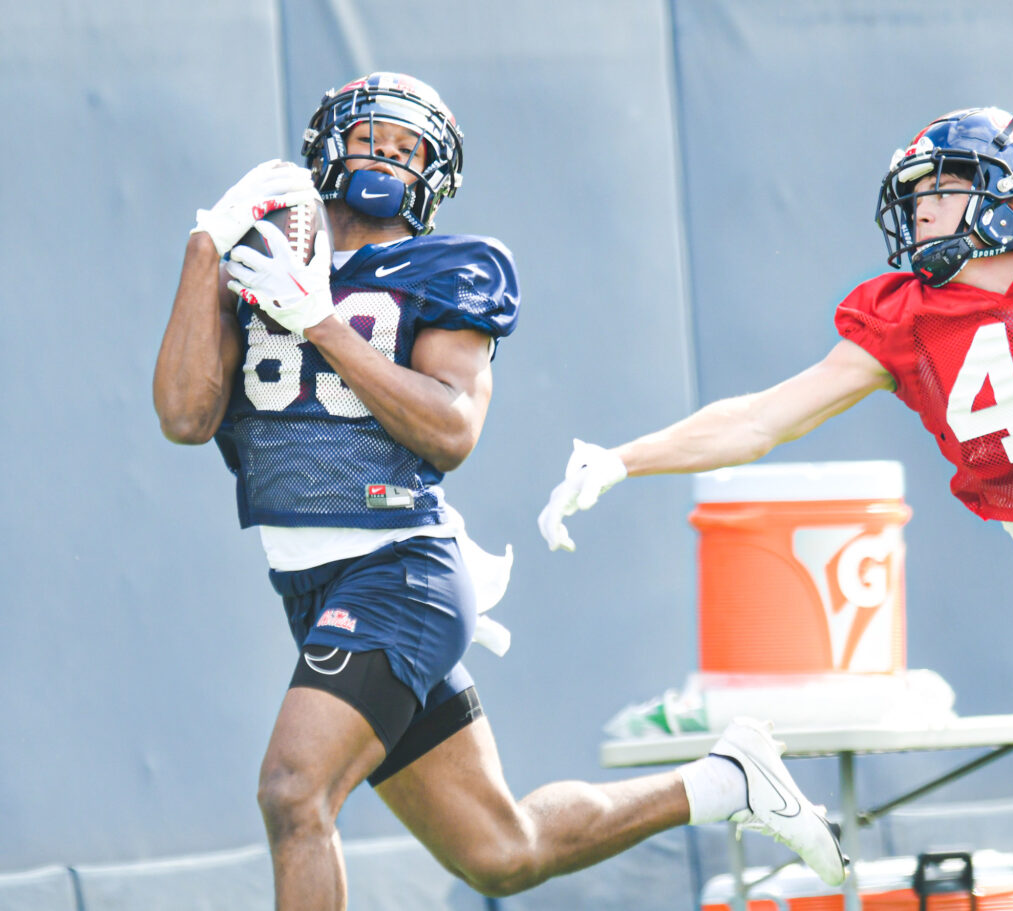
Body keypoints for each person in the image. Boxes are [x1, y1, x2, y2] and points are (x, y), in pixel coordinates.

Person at [153, 72, 846, 911]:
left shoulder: (448, 266)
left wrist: (321, 322)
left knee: (294, 793)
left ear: (435, 176)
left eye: (410, 149)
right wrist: (205, 247)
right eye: (374, 136)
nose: (388, 158)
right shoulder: (248, 262)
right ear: (327, 146)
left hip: (399, 573)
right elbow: (186, 417)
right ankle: (725, 779)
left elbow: (450, 431)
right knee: (503, 852)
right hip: (311, 587)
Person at [539, 106, 1013, 558]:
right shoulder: (905, 320)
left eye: (941, 192)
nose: (921, 212)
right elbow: (757, 420)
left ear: (1011, 202)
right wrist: (621, 460)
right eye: (917, 196)